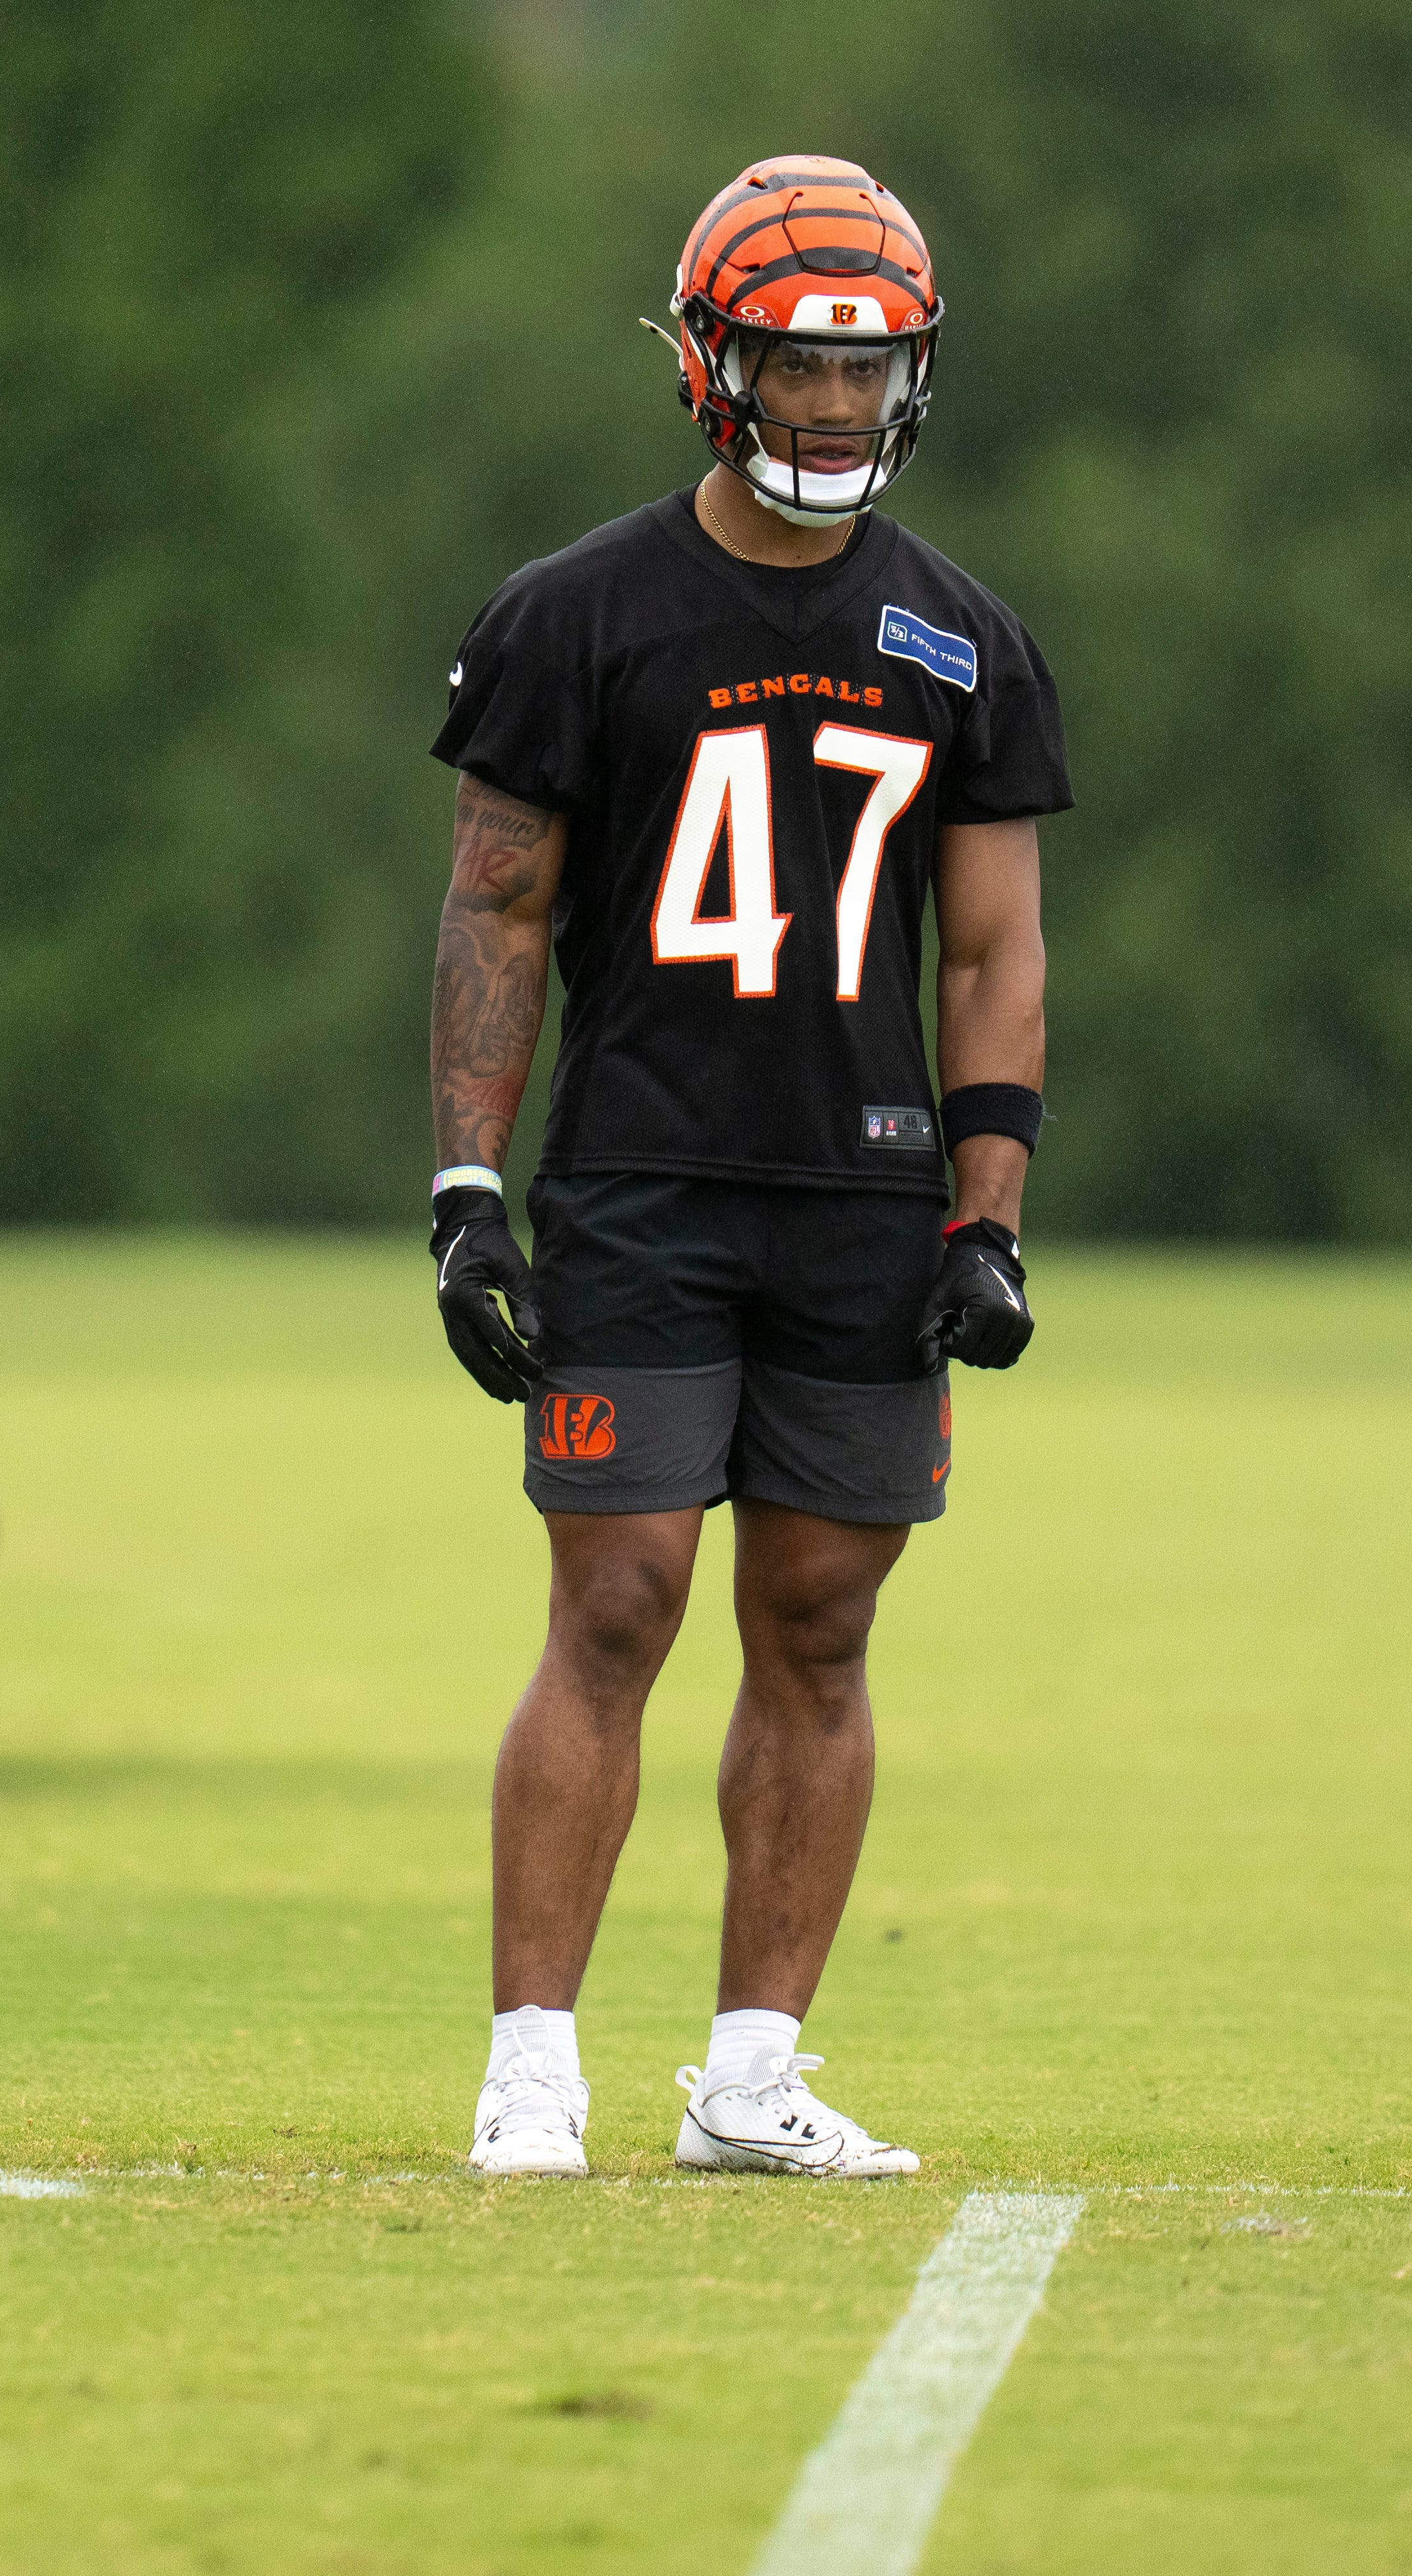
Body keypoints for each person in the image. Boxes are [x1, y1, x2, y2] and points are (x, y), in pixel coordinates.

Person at [421, 155, 1063, 2179]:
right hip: (643, 1177)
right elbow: (495, 911)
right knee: (616, 1599)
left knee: (823, 1624)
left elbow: (992, 946)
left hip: (866, 1193)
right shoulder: (577, 614)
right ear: (715, 362)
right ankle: (534, 2061)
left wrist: (992, 1216)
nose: (838, 411)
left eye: (869, 374)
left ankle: (754, 2072)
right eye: (801, 364)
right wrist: (466, 1190)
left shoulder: (962, 639)